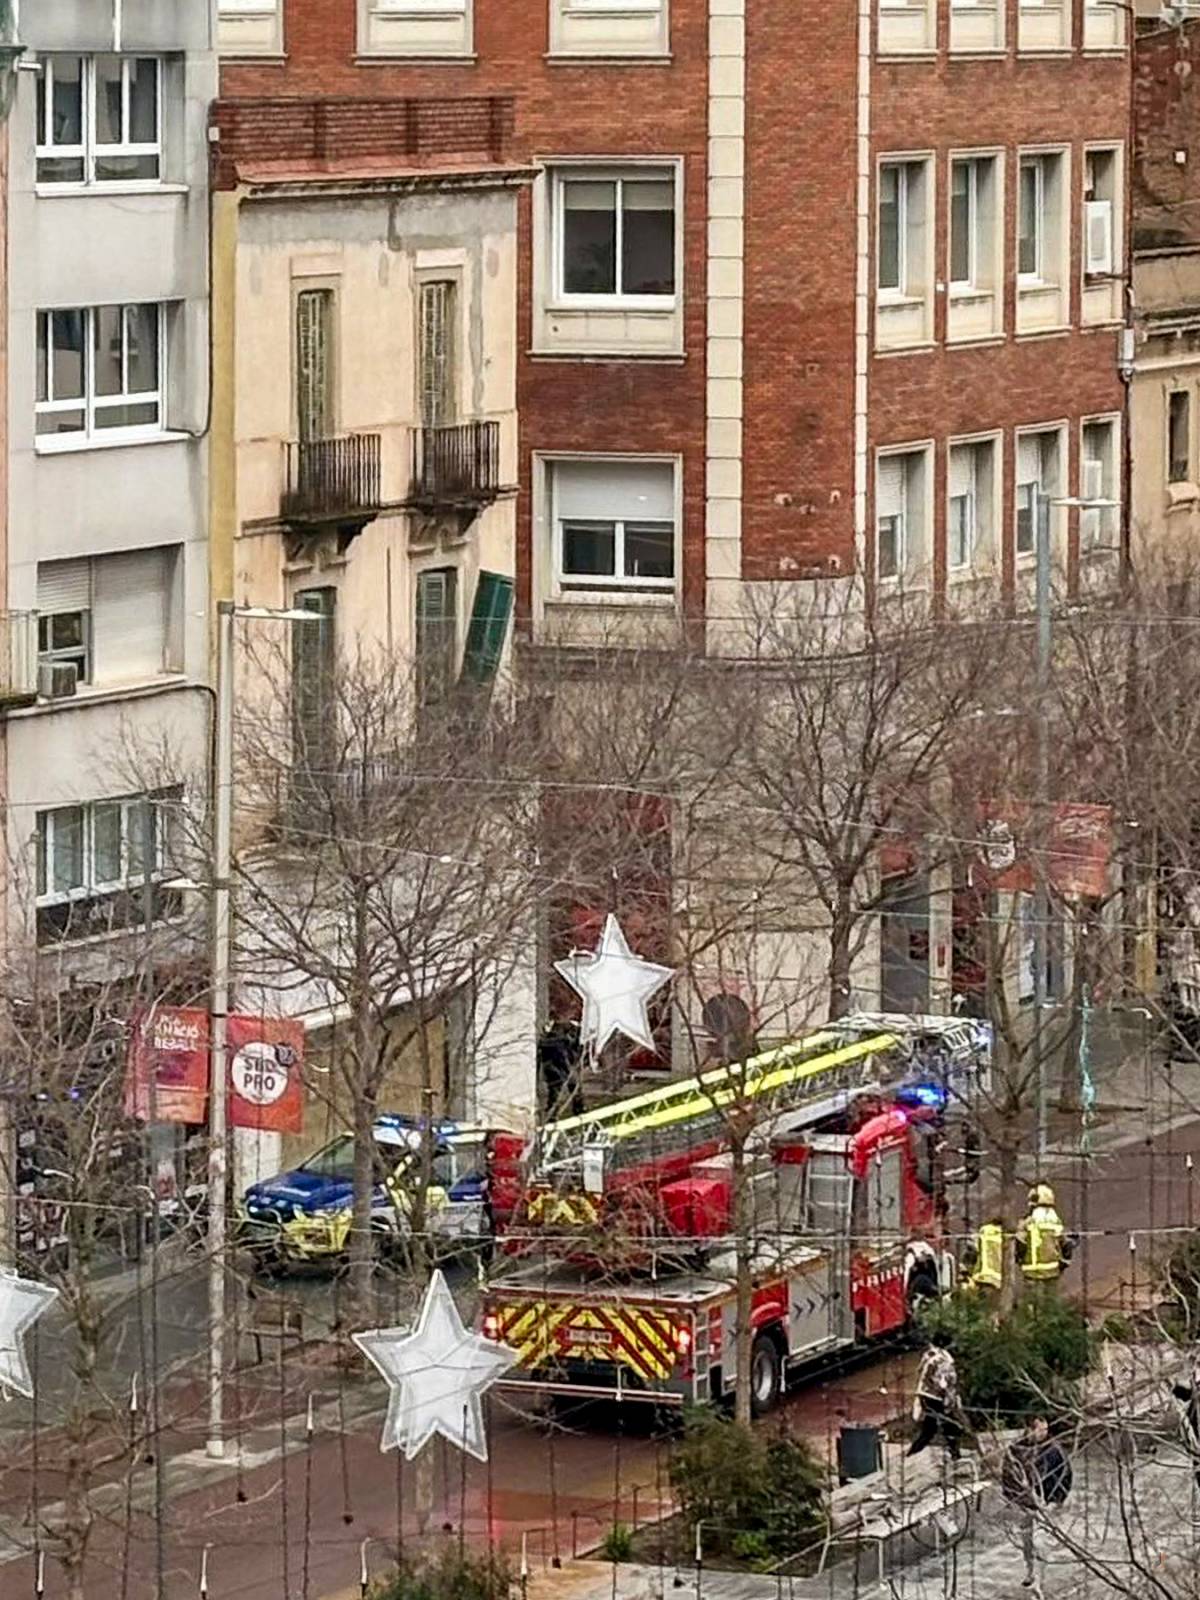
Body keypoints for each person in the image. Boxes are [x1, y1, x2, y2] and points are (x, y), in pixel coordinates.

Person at [1002, 1415, 1073, 1588]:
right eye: (1040, 1429)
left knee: (1041, 1541)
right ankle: (1030, 1571)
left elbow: (1066, 1475)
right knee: (1026, 1540)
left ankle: (1040, 1579)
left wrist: (1056, 1500)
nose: (1044, 1433)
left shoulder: (1054, 1450)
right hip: (1024, 1503)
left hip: (1047, 1502)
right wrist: (1013, 1498)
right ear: (1029, 1429)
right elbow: (1008, 1475)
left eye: (1046, 1430)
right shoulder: (1016, 1450)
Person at [907, 1331, 962, 1461]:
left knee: (930, 1429)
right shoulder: (943, 1359)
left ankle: (912, 1453)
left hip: (926, 1395)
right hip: (935, 1397)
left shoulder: (929, 1355)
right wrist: (948, 1397)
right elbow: (942, 1381)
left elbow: (920, 1371)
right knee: (949, 1425)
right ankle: (955, 1454)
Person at [1015, 1185, 1075, 1288]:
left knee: (1033, 1302)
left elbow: (1020, 1243)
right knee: (1050, 1301)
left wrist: (1019, 1260)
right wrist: (1064, 1263)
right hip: (1052, 1272)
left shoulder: (1028, 1221)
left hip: (1032, 1271)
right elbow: (1066, 1244)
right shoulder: (1055, 1219)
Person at [964, 1215, 1006, 1296]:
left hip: (982, 1275)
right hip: (999, 1278)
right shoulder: (1005, 1234)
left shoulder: (984, 1230)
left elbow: (974, 1248)